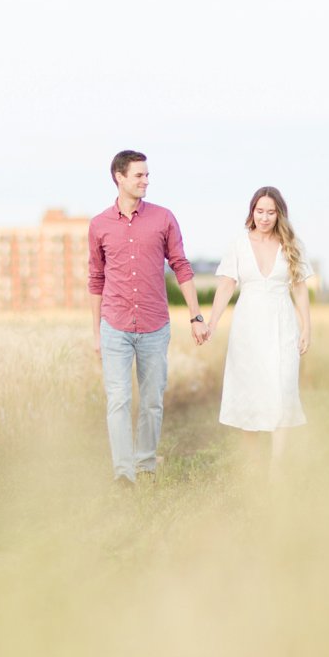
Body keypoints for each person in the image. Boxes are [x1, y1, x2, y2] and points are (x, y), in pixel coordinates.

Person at [88, 150, 208, 487]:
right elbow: (96, 279)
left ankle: (145, 466)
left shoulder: (164, 218)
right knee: (119, 400)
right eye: (139, 175)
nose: (146, 181)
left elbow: (182, 266)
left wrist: (196, 316)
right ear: (119, 177)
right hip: (114, 326)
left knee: (152, 401)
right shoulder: (99, 225)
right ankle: (123, 474)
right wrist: (96, 333)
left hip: (155, 326)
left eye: (147, 175)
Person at [201, 186, 312, 479]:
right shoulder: (239, 244)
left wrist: (306, 328)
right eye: (259, 211)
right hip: (248, 326)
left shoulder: (291, 244)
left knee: (283, 388)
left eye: (271, 212)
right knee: (249, 391)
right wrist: (212, 322)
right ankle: (252, 465)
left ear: (279, 214)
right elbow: (226, 286)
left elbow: (299, 290)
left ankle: (277, 467)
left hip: (282, 325)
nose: (264, 217)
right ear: (252, 212)